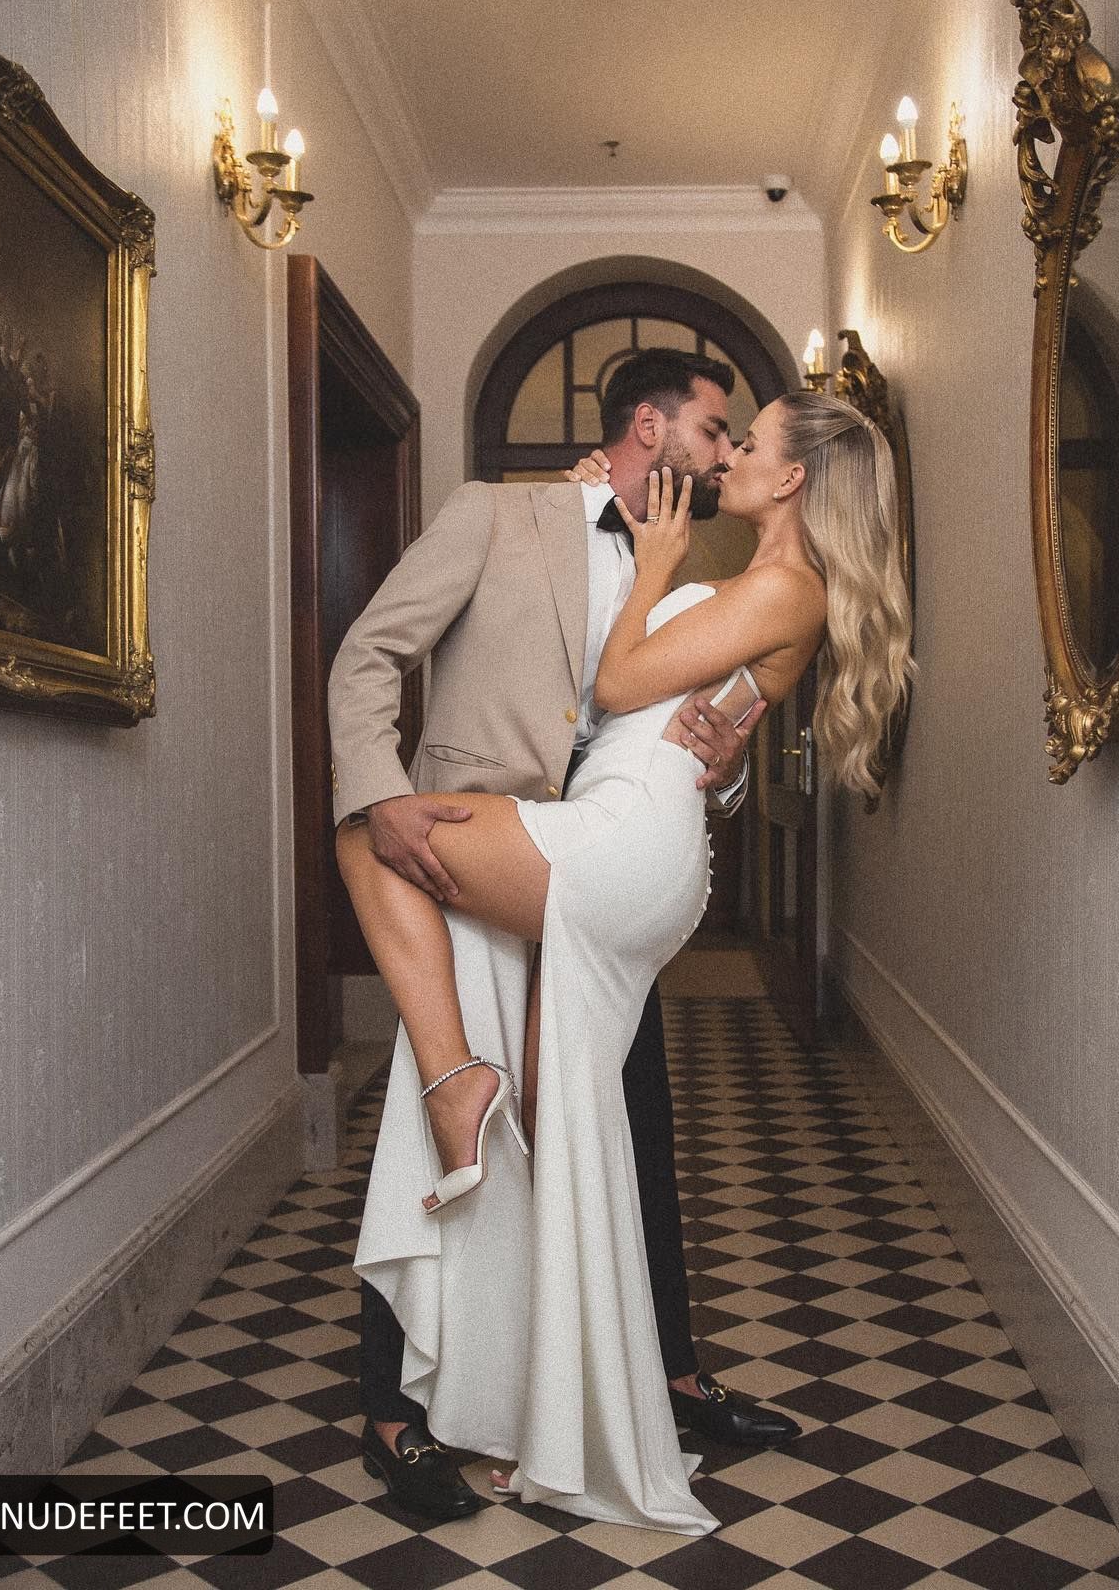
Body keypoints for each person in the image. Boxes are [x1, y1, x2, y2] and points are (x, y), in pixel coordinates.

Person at [335, 386, 914, 1533]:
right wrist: (383, 777)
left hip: (594, 860)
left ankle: (655, 1378)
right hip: (528, 855)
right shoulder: (502, 515)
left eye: (743, 440)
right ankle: (446, 1412)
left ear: (793, 477)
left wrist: (722, 750)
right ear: (652, 426)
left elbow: (648, 707)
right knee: (540, 1140)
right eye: (715, 430)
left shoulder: (721, 566)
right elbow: (379, 656)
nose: (725, 452)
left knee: (622, 1142)